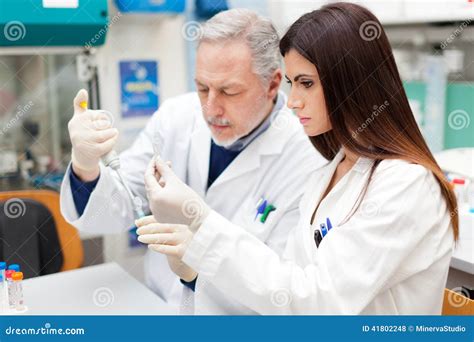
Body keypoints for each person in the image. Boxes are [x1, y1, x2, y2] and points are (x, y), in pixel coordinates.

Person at [137, 2, 458, 314]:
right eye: (293, 84)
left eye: (306, 83)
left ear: (350, 81)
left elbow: (321, 302)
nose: (292, 102)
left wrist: (201, 222)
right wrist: (196, 271)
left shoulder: (406, 185)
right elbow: (285, 283)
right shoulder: (331, 171)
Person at [60, 9, 325, 314]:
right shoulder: (175, 117)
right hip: (161, 306)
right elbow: (115, 209)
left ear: (272, 84)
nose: (210, 108)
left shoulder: (306, 160)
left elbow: (284, 289)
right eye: (202, 88)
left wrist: (198, 270)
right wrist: (85, 165)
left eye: (229, 91)